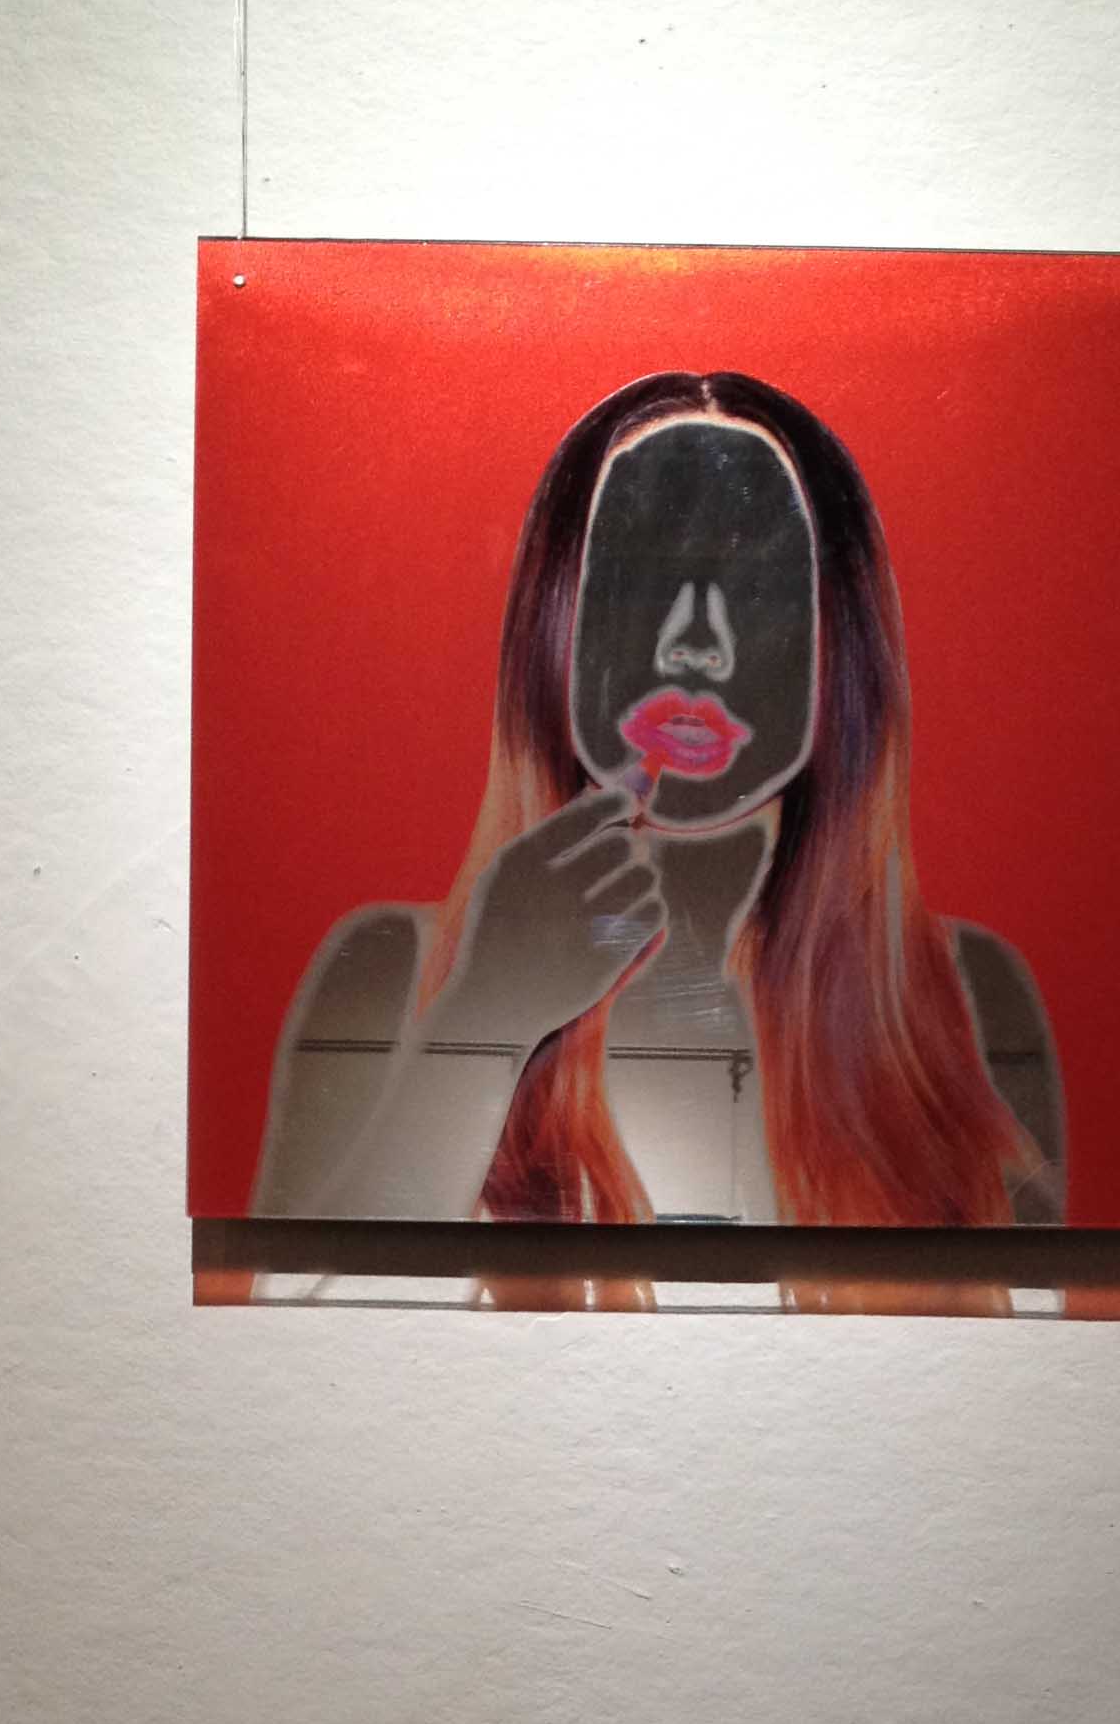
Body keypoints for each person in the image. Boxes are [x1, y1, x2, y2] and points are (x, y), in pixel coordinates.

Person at [251, 369, 1062, 1232]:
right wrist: (490, 1009)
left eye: (759, 587)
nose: (696, 644)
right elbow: (289, 1302)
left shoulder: (966, 1000)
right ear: (555, 623)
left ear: (841, 643)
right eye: (637, 580)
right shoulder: (390, 975)